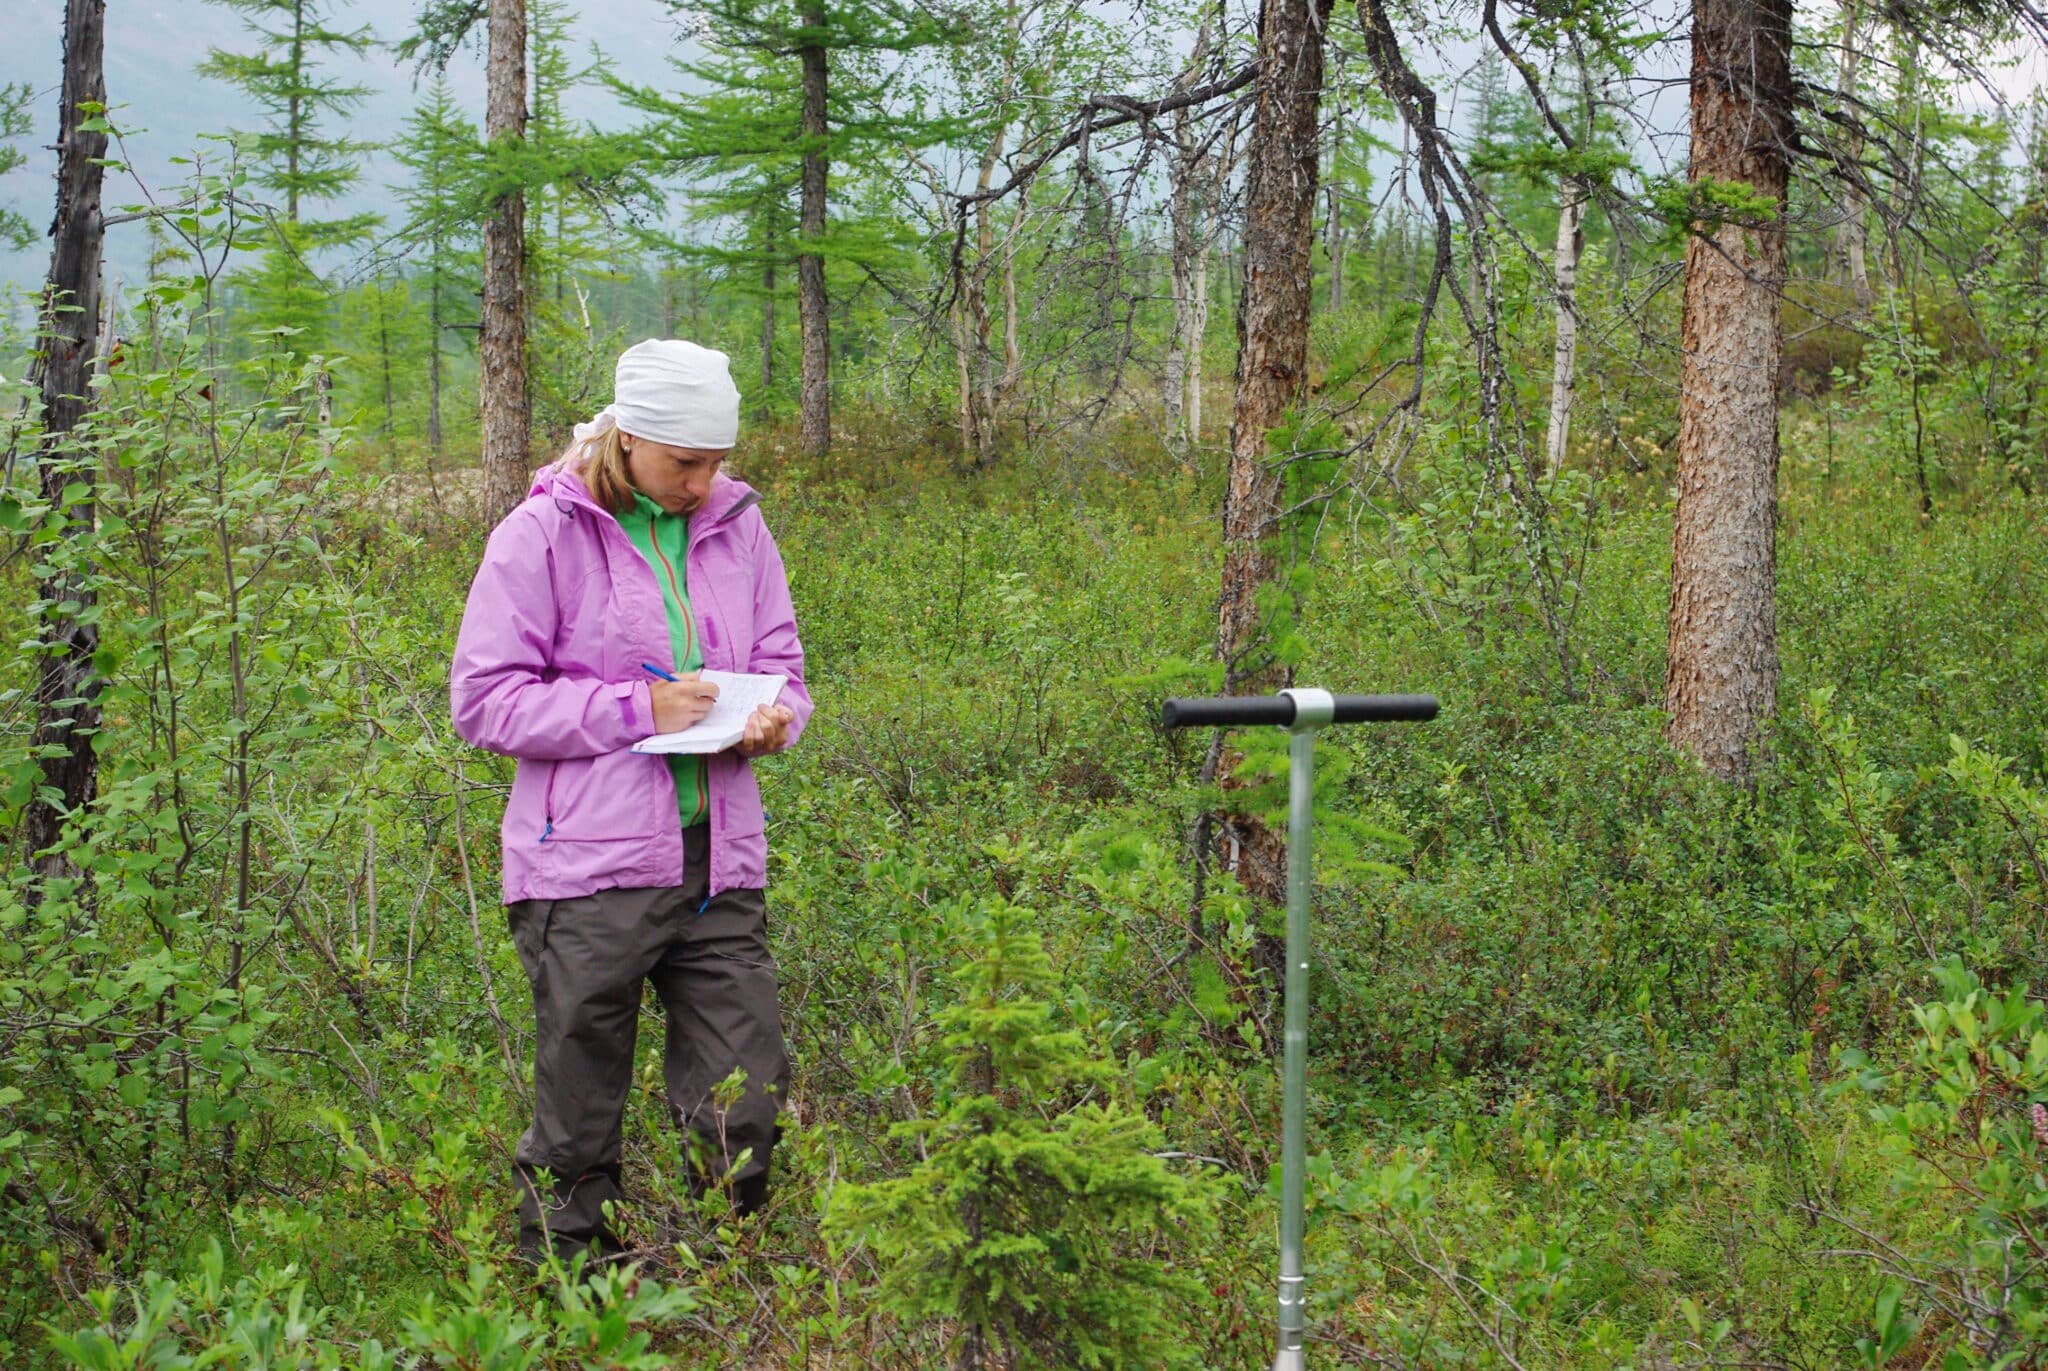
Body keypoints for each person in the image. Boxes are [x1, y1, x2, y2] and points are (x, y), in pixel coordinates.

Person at [449, 338, 811, 1269]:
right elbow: (484, 700)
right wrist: (635, 708)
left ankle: (729, 1296)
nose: (701, 481)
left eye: (715, 462)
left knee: (746, 1102)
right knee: (577, 1117)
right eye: (684, 461)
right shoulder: (540, 534)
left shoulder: (738, 527)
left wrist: (773, 718)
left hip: (718, 861)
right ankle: (570, 1300)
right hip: (586, 871)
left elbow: (785, 669)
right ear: (628, 436)